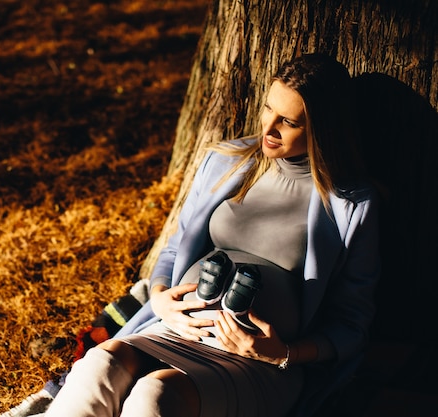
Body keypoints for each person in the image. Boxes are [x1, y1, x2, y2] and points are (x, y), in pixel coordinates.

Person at [43, 53, 381, 417]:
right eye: (268, 109)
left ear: (322, 127)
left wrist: (281, 353)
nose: (268, 128)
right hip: (178, 330)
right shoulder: (227, 161)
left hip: (254, 361)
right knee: (99, 364)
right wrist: (159, 300)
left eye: (288, 121)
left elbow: (351, 324)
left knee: (154, 395)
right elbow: (174, 250)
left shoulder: (351, 205)